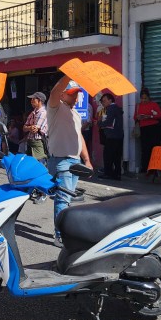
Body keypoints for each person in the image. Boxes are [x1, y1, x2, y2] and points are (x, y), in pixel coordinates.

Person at [47, 78, 93, 248]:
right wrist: (68, 74)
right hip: (62, 159)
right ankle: (60, 235)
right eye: (72, 94)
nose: (75, 98)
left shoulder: (75, 114)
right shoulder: (55, 108)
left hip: (75, 160)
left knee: (67, 200)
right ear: (62, 95)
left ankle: (65, 232)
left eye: (77, 94)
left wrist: (87, 160)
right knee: (63, 199)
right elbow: (53, 92)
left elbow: (79, 137)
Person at [135, 88, 161, 174]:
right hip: (144, 129)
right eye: (142, 98)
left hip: (154, 129)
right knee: (145, 149)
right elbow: (134, 117)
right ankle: (145, 168)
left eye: (145, 98)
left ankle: (154, 169)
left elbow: (160, 116)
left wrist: (149, 117)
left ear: (149, 98)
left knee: (154, 149)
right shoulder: (138, 106)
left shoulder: (154, 104)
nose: (143, 100)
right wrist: (138, 117)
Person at [98, 92, 123, 180]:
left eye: (104, 101)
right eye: (102, 101)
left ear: (110, 100)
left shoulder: (111, 108)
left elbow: (109, 123)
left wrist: (100, 123)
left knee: (108, 155)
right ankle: (117, 174)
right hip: (118, 135)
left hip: (112, 136)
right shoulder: (116, 108)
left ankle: (108, 173)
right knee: (116, 156)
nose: (103, 103)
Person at [22, 92, 48, 161]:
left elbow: (34, 129)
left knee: (39, 163)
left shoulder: (43, 113)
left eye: (33, 99)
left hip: (38, 142)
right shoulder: (33, 112)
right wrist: (29, 127)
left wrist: (29, 127)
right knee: (30, 163)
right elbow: (24, 128)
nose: (31, 101)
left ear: (39, 101)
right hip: (30, 141)